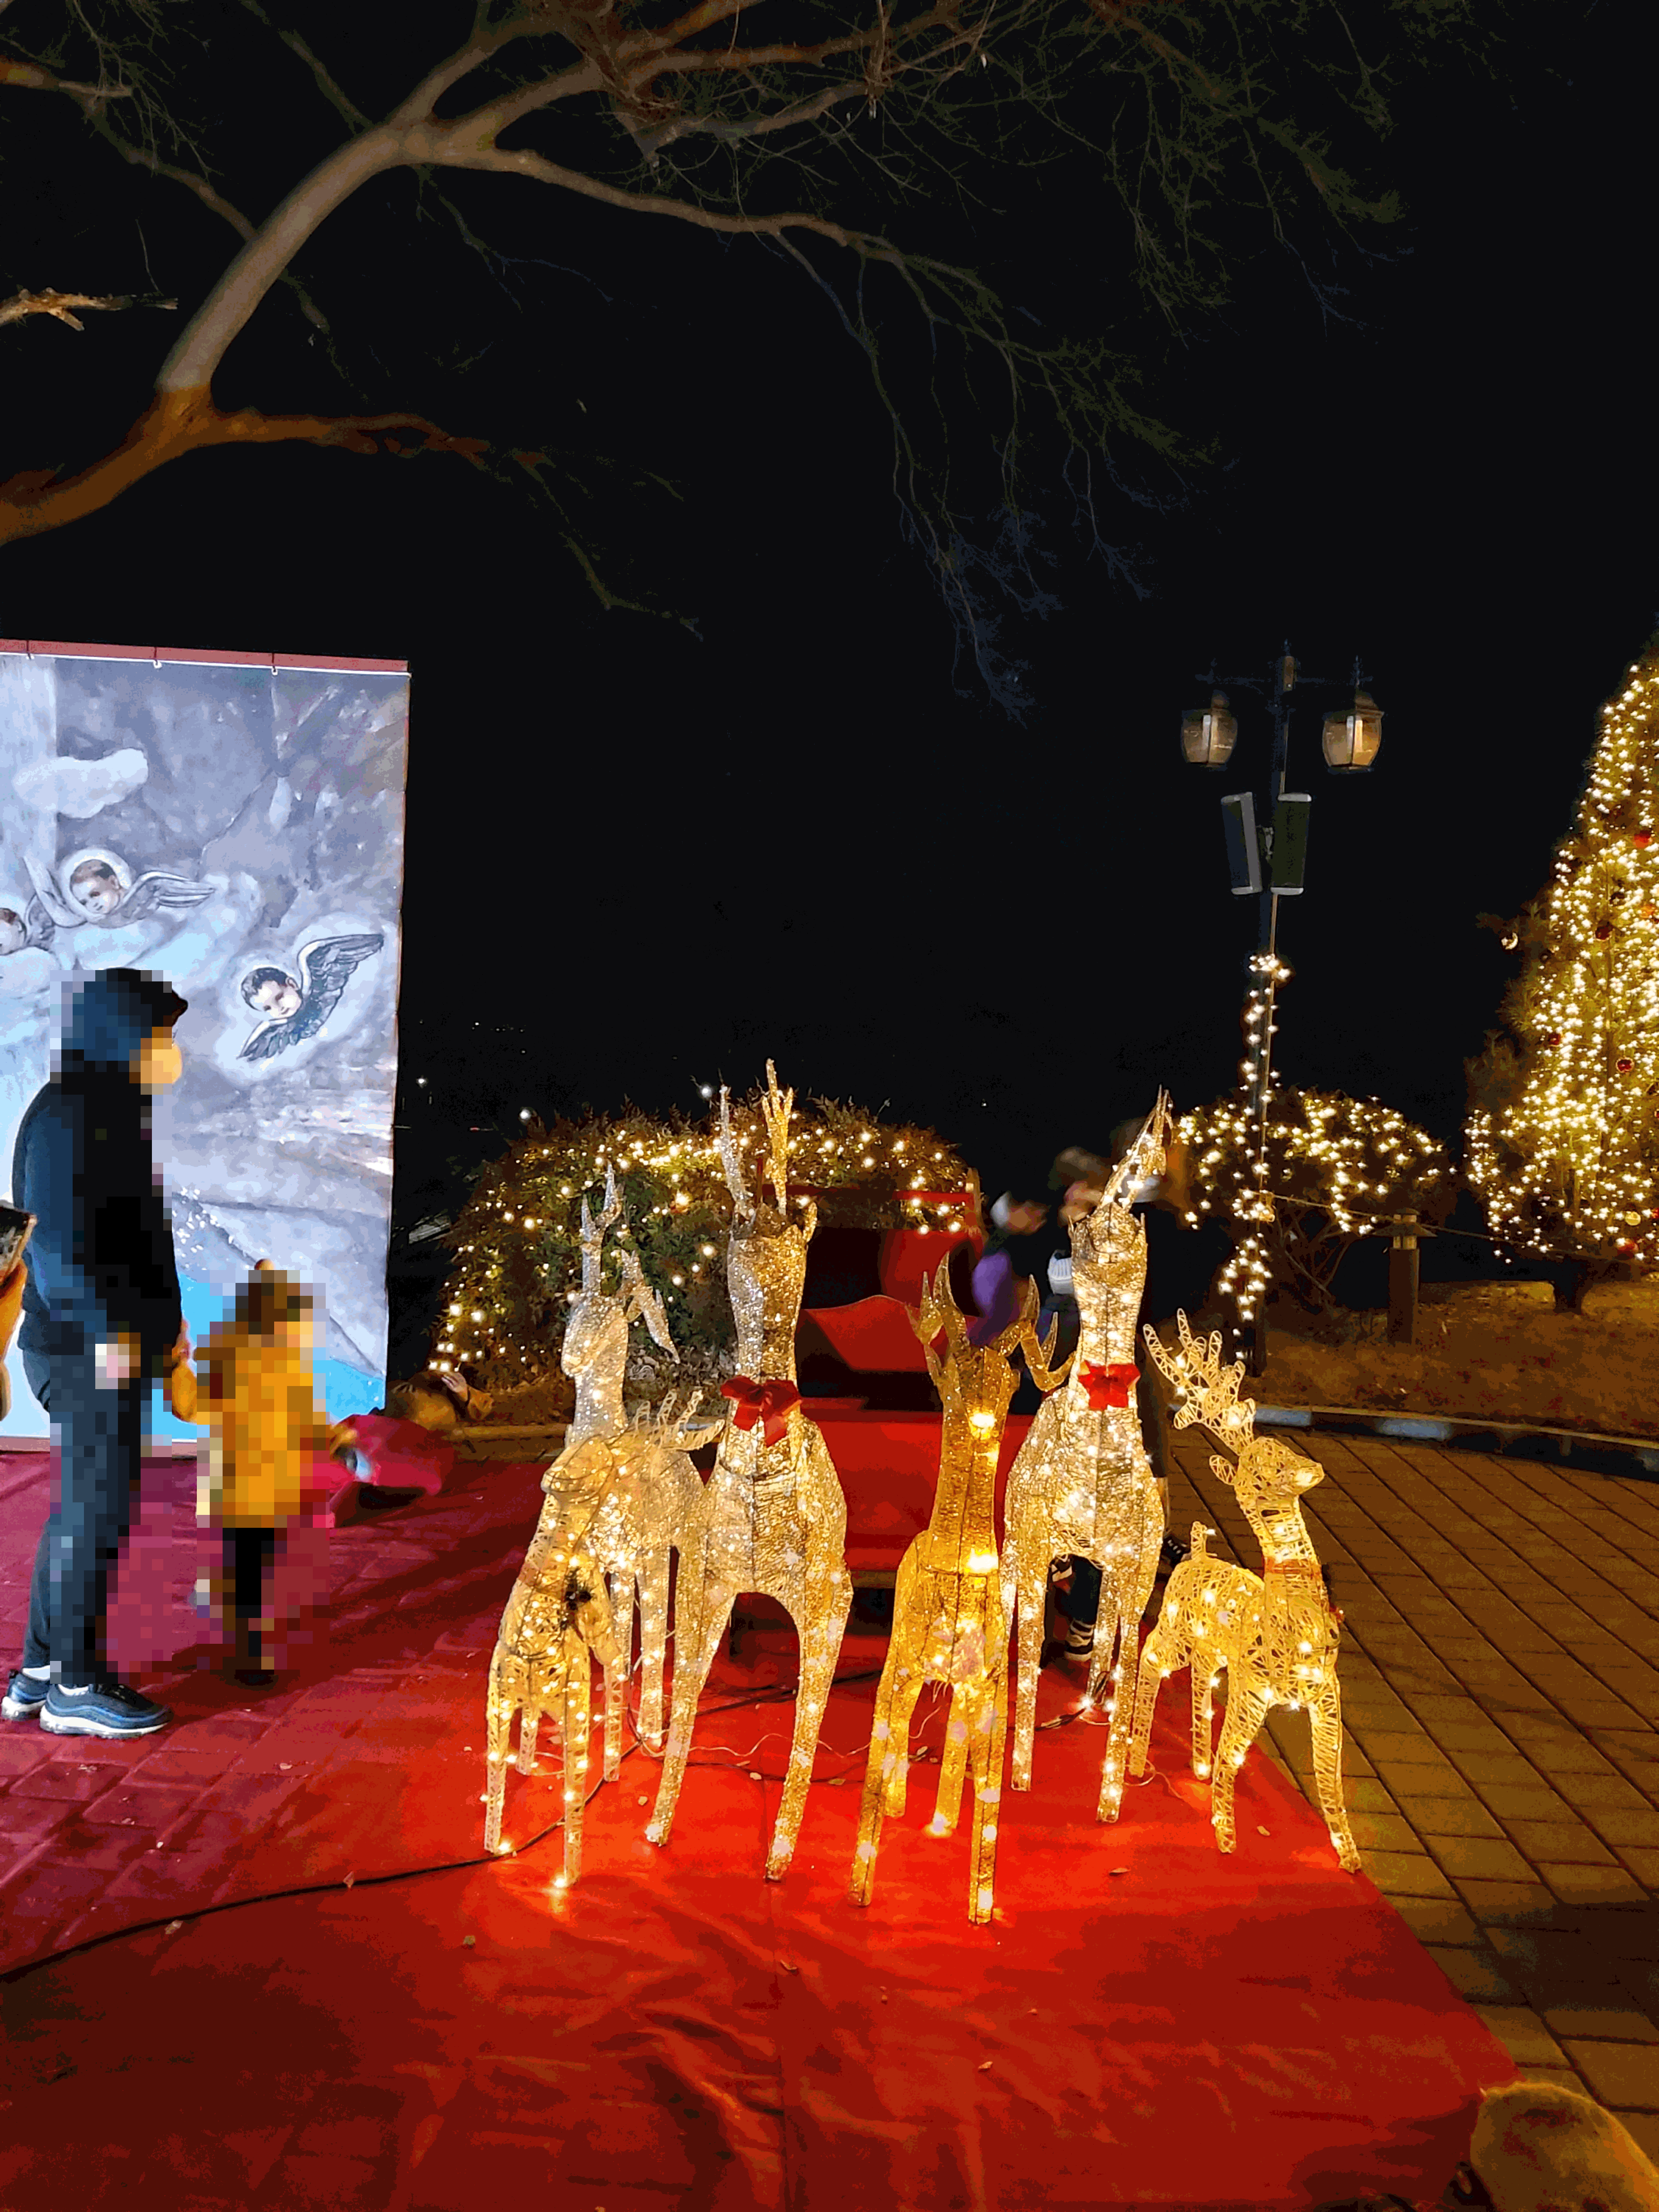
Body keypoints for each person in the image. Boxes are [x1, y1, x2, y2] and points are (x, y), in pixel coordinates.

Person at [1, 969, 192, 1737]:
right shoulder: (71, 1118)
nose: (171, 1051)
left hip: (105, 1341)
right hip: (91, 1347)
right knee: (97, 1511)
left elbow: (134, 1234)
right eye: (160, 1034)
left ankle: (40, 1669)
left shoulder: (103, 1108)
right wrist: (132, 1341)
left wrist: (165, 1327)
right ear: (119, 1033)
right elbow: (63, 1263)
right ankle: (75, 1687)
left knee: (85, 1506)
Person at [169, 1259, 356, 1686]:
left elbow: (306, 1417)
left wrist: (333, 1439)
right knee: (249, 1572)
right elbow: (194, 1406)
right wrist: (179, 1366)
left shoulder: (283, 1368)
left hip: (271, 1493)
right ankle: (247, 1652)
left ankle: (236, 1625)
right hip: (242, 1495)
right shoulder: (242, 1368)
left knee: (255, 1569)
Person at [1051, 1122, 1194, 1664]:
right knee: (1084, 1499)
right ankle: (1079, 1591)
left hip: (1121, 1375)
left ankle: (1091, 1612)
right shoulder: (1087, 1209)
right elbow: (1059, 1292)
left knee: (1119, 1503)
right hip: (1079, 1370)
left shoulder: (1153, 1221)